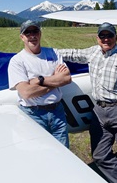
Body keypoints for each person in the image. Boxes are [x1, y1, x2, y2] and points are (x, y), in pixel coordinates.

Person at [56, 22, 117, 182]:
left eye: (109, 35)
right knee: (99, 155)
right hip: (99, 111)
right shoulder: (93, 52)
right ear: (97, 38)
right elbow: (73, 53)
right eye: (102, 36)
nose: (106, 39)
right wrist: (48, 53)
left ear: (116, 37)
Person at [8, 20, 72, 148]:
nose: (32, 35)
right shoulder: (17, 61)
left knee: (63, 153)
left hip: (57, 112)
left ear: (40, 34)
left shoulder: (53, 53)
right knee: (38, 153)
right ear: (22, 37)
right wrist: (55, 80)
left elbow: (66, 79)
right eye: (27, 32)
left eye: (35, 31)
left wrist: (40, 80)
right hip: (33, 114)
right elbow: (26, 92)